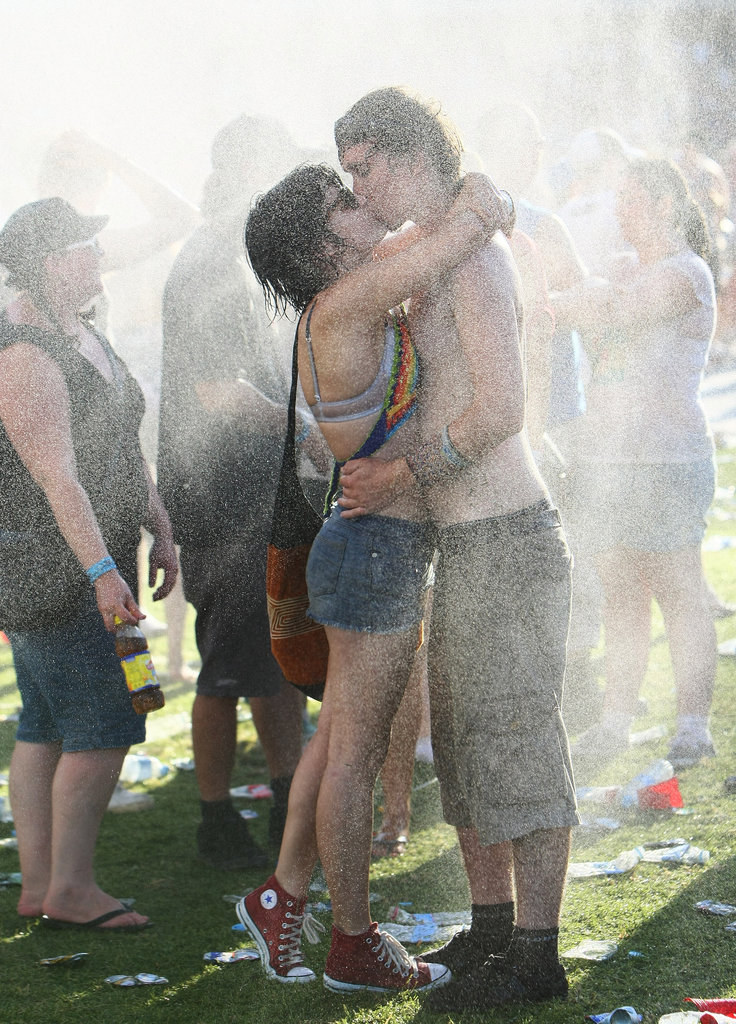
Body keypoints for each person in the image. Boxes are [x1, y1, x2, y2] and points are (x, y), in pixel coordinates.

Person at [334, 87, 579, 1012]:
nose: (358, 191)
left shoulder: (475, 262)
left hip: (511, 536)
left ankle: (539, 953)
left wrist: (401, 473)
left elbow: (502, 411)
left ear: (405, 155)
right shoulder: (426, 251)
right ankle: (489, 931)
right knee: (469, 751)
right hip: (463, 546)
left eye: (363, 169)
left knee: (519, 744)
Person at [238, 161, 510, 992]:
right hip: (374, 548)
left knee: (340, 741)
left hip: (374, 545)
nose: (366, 211)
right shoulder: (347, 301)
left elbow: (433, 236)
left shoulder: (349, 294)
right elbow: (465, 230)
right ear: (321, 251)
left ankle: (284, 897)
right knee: (357, 751)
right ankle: (353, 945)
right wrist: (483, 200)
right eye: (345, 205)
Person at [0, 197, 177, 929]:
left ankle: (42, 887)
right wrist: (104, 575)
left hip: (97, 561)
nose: (100, 258)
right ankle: (69, 887)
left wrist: (160, 527)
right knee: (103, 722)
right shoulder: (25, 356)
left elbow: (122, 443)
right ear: (49, 263)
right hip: (62, 572)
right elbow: (59, 479)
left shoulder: (82, 334)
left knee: (43, 720)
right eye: (86, 247)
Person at [156, 116, 307, 870]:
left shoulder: (242, 250)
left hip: (255, 491)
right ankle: (215, 821)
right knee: (223, 666)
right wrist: (302, 424)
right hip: (218, 497)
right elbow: (217, 391)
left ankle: (287, 796)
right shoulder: (213, 256)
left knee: (274, 654)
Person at [552, 157, 718, 773]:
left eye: (630, 199)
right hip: (609, 461)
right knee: (621, 592)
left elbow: (612, 312)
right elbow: (579, 306)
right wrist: (582, 297)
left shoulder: (686, 272)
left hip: (667, 458)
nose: (618, 210)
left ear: (665, 205)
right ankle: (618, 719)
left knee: (677, 592)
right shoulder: (628, 269)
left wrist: (582, 299)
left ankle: (693, 726)